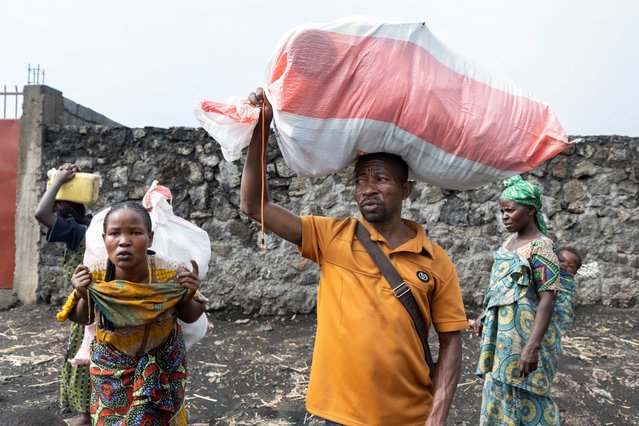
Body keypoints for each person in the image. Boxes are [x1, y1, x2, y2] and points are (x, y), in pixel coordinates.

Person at [240, 88, 468, 426]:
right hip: (332, 415)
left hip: (408, 418)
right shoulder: (332, 236)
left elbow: (451, 344)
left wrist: (436, 418)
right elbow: (253, 205)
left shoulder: (435, 261)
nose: (368, 188)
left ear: (406, 190)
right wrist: (262, 127)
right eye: (360, 180)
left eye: (380, 178)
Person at [66, 201, 205, 425]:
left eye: (135, 232)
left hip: (162, 366)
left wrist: (188, 295)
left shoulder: (170, 272)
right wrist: (82, 293)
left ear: (149, 238)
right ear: (104, 239)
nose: (124, 241)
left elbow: (190, 316)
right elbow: (84, 318)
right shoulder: (96, 274)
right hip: (112, 370)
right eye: (114, 233)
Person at [474, 176, 563, 425]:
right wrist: (485, 315)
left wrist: (532, 346)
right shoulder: (509, 243)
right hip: (500, 336)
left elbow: (548, 299)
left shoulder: (542, 247)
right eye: (502, 210)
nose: (504, 216)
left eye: (510, 210)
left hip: (522, 337)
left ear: (530, 210)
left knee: (524, 393)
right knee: (498, 390)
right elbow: (501, 288)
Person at [34, 163, 93, 426]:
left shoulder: (75, 231)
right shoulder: (90, 226)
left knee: (84, 362)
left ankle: (85, 415)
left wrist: (58, 181)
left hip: (87, 310)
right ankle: (89, 413)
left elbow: (40, 212)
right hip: (93, 307)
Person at [555, 247, 583, 331]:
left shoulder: (570, 284)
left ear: (575, 272)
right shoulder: (545, 275)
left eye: (570, 266)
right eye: (561, 260)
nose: (564, 265)